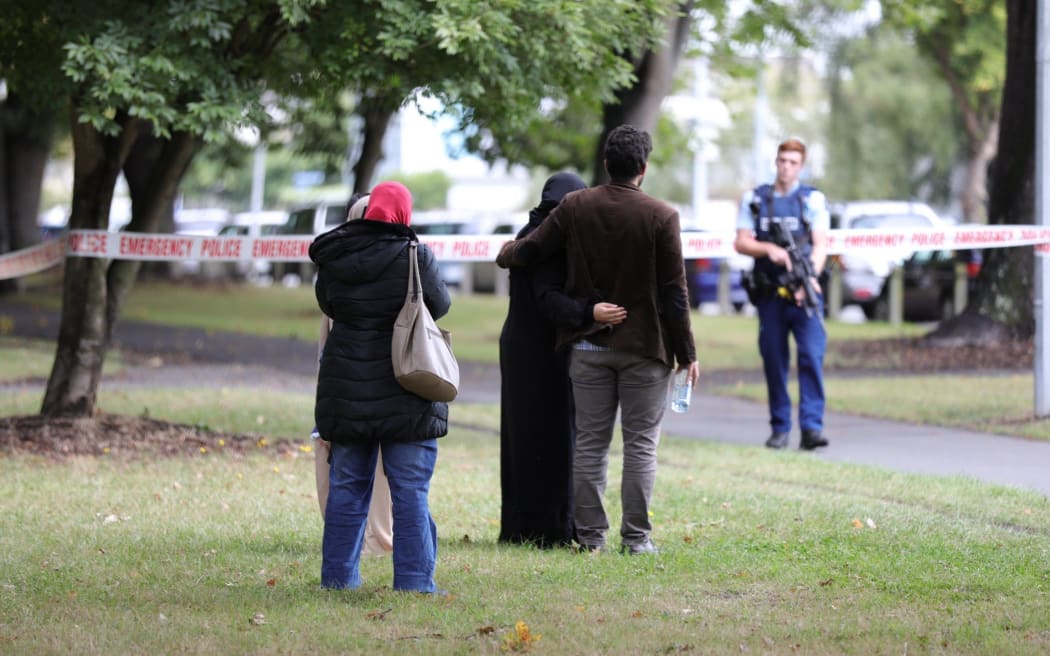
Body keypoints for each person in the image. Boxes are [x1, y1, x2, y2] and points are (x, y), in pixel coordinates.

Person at [497, 125, 698, 556]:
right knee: (640, 446)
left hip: (589, 347)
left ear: (606, 164)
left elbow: (531, 250)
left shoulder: (575, 205)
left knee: (590, 444)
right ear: (644, 168)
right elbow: (675, 293)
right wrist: (687, 354)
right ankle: (636, 539)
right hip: (646, 348)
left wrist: (506, 253)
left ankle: (591, 538)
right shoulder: (663, 216)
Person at [310, 180, 450, 593]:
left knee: (347, 487)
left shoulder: (336, 256)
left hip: (348, 389)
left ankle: (338, 580)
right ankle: (414, 581)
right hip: (407, 386)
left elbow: (328, 304)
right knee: (409, 491)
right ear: (404, 213)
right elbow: (440, 304)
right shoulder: (415, 255)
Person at [497, 172, 627, 548]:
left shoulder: (528, 233)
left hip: (519, 346)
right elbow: (549, 300)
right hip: (546, 350)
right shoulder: (552, 240)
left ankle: (521, 525)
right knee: (555, 436)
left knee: (521, 438)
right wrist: (590, 312)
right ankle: (552, 528)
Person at [733, 138, 830, 451]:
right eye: (783, 161)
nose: (786, 167)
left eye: (793, 162)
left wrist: (808, 278)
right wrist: (768, 249)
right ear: (776, 162)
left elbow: (820, 245)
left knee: (811, 356)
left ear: (801, 167)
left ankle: (812, 428)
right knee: (774, 360)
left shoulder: (811, 199)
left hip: (803, 293)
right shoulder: (756, 199)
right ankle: (780, 428)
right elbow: (741, 242)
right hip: (771, 294)